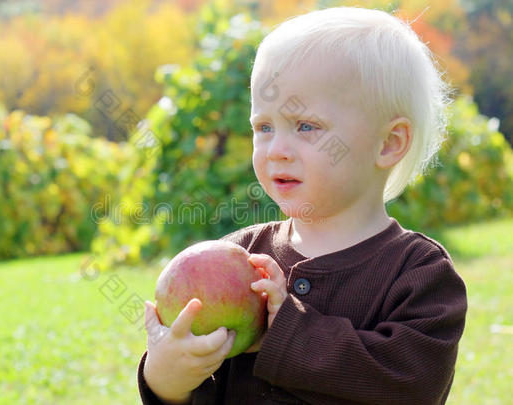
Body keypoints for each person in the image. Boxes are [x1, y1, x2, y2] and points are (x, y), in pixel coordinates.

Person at [137, 6, 467, 404]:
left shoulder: (419, 274)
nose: (276, 150)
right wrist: (166, 379)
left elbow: (410, 384)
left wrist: (285, 333)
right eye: (264, 127)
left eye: (306, 126)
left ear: (388, 143)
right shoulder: (239, 259)